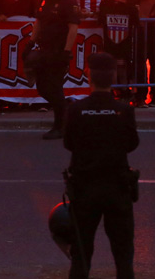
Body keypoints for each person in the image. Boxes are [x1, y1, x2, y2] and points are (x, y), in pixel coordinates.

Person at [62, 52, 139, 279]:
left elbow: (69, 143)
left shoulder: (76, 110)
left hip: (85, 188)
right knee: (123, 252)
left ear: (89, 77)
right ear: (113, 77)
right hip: (117, 187)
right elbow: (132, 144)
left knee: (82, 252)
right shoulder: (124, 111)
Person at [29, 0, 81, 140]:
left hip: (58, 51)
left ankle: (60, 126)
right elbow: (38, 22)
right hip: (44, 50)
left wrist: (66, 52)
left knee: (56, 88)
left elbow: (73, 29)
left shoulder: (69, 3)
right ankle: (65, 112)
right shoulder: (44, 0)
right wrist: (31, 43)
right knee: (42, 87)